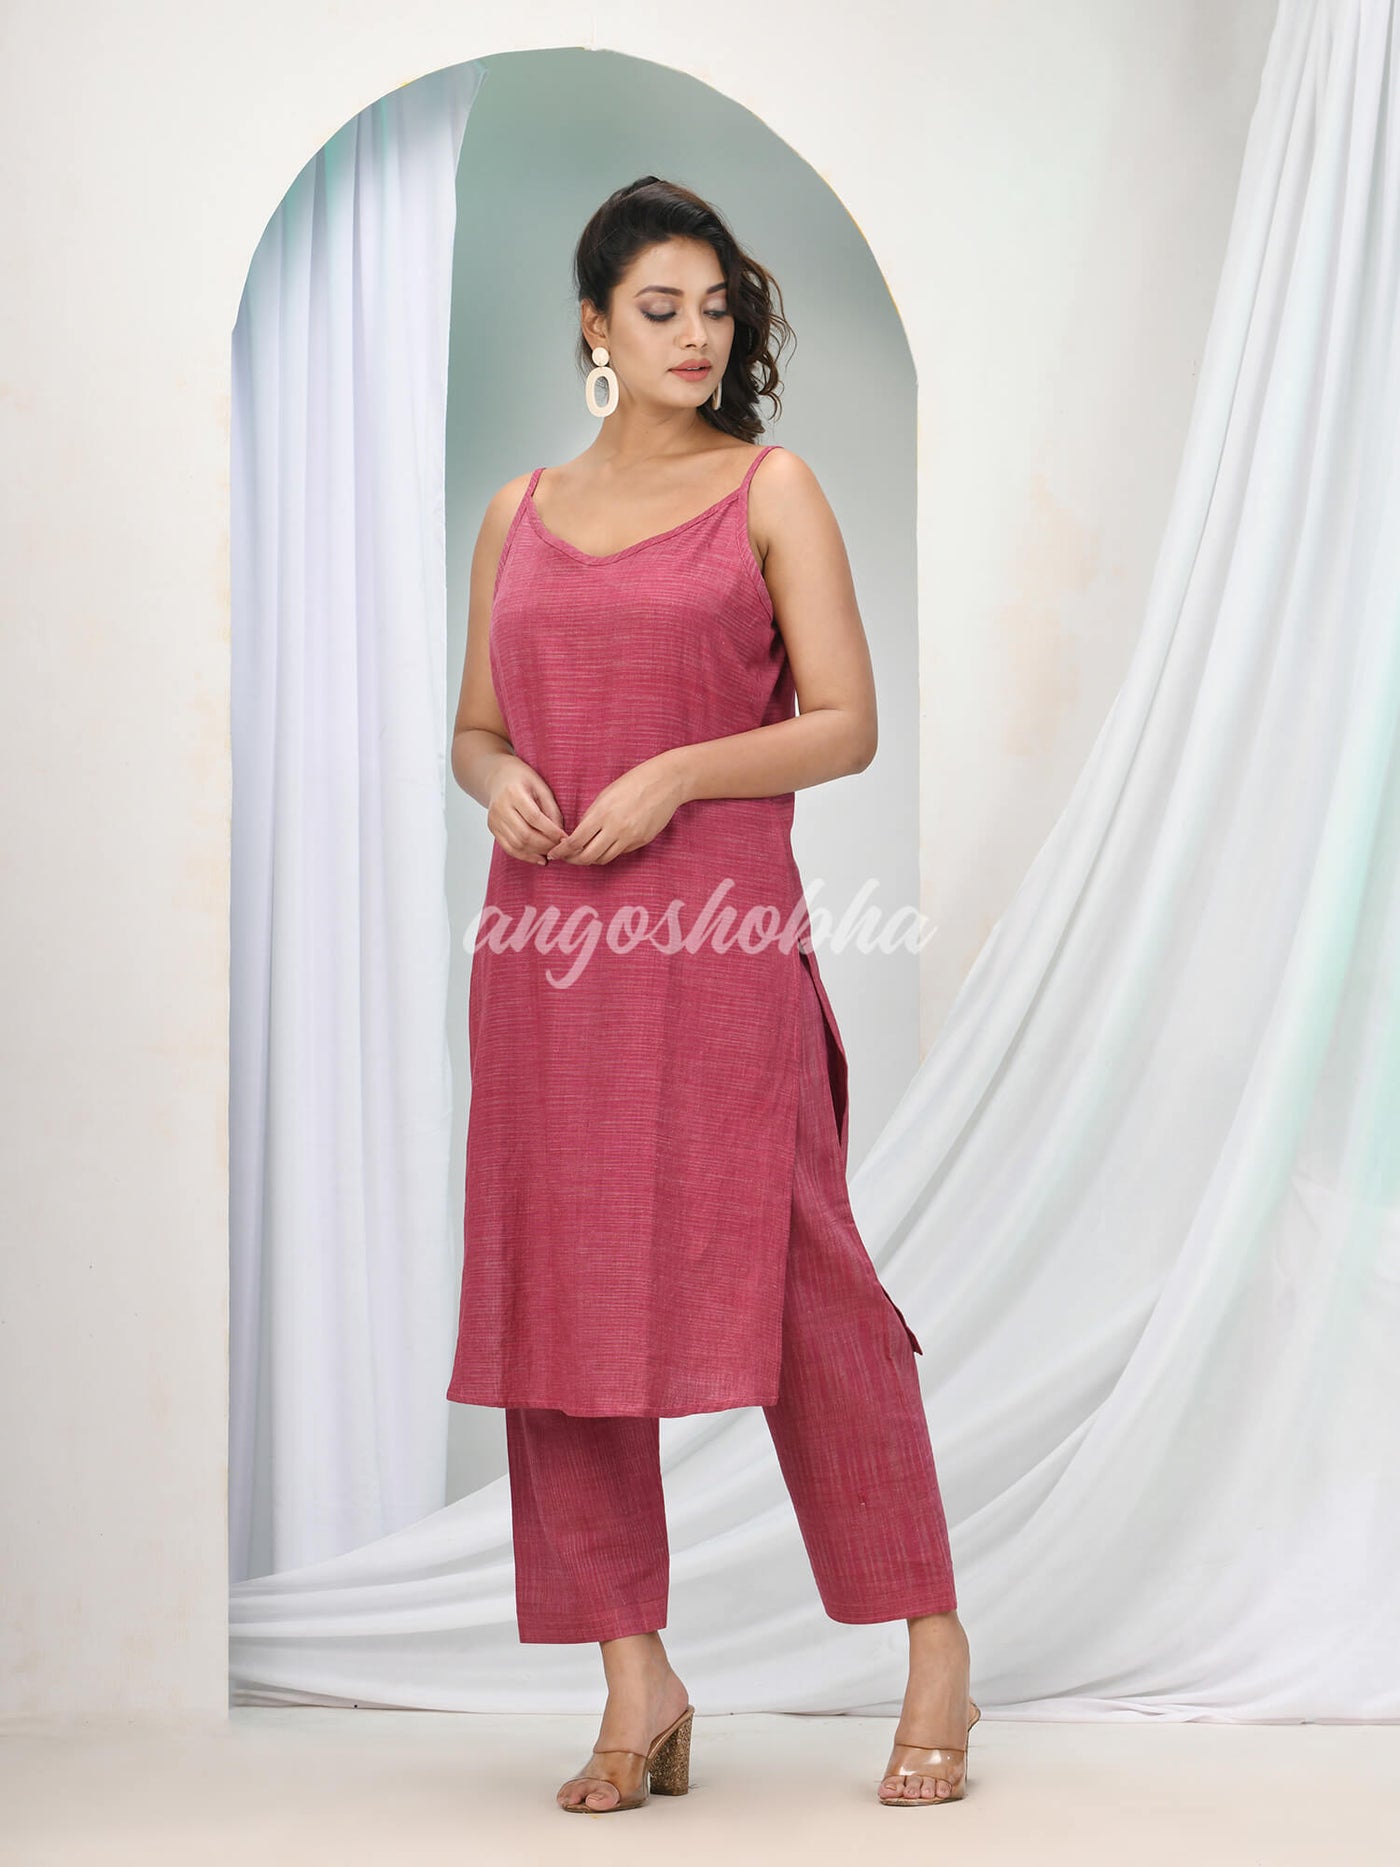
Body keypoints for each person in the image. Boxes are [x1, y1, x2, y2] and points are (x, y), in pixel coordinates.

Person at [445, 176, 977, 1812]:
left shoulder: (770, 488)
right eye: (660, 309)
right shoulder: (519, 510)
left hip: (721, 947)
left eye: (717, 309)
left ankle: (935, 1646)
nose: (695, 336)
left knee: (806, 1289)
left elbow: (845, 723)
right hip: (548, 957)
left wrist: (679, 770)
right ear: (594, 327)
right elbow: (475, 725)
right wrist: (494, 781)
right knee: (558, 1307)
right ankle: (638, 1681)